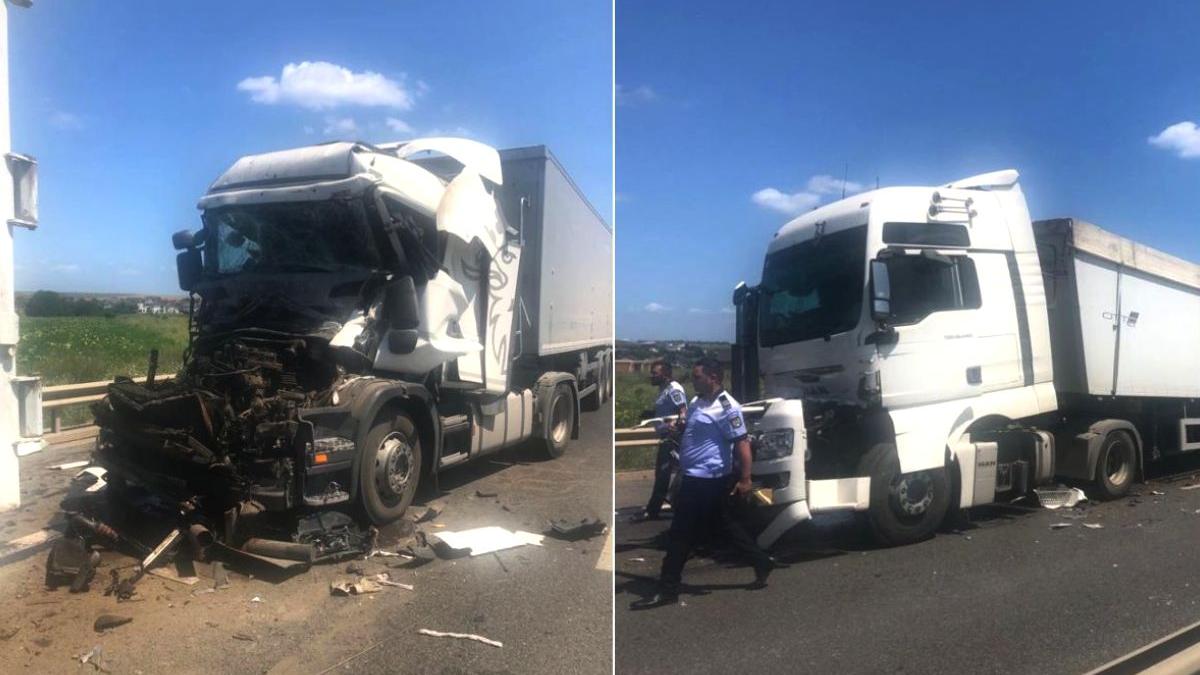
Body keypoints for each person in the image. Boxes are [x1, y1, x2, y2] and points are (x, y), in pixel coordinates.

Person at [631, 357, 777, 610]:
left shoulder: (727, 407)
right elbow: (691, 426)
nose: (693, 380)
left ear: (714, 378)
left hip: (707, 479)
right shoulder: (698, 400)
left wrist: (745, 479)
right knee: (723, 525)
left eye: (697, 376)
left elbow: (742, 443)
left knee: (680, 533)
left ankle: (668, 588)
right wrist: (677, 428)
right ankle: (761, 561)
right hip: (694, 475)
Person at [632, 361, 688, 522]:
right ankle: (660, 506)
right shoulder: (664, 389)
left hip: (673, 438)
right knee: (663, 473)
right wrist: (651, 414)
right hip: (667, 437)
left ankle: (654, 509)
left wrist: (675, 426)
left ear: (665, 375)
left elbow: (683, 412)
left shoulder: (674, 389)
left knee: (664, 473)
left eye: (654, 373)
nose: (651, 375)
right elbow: (667, 411)